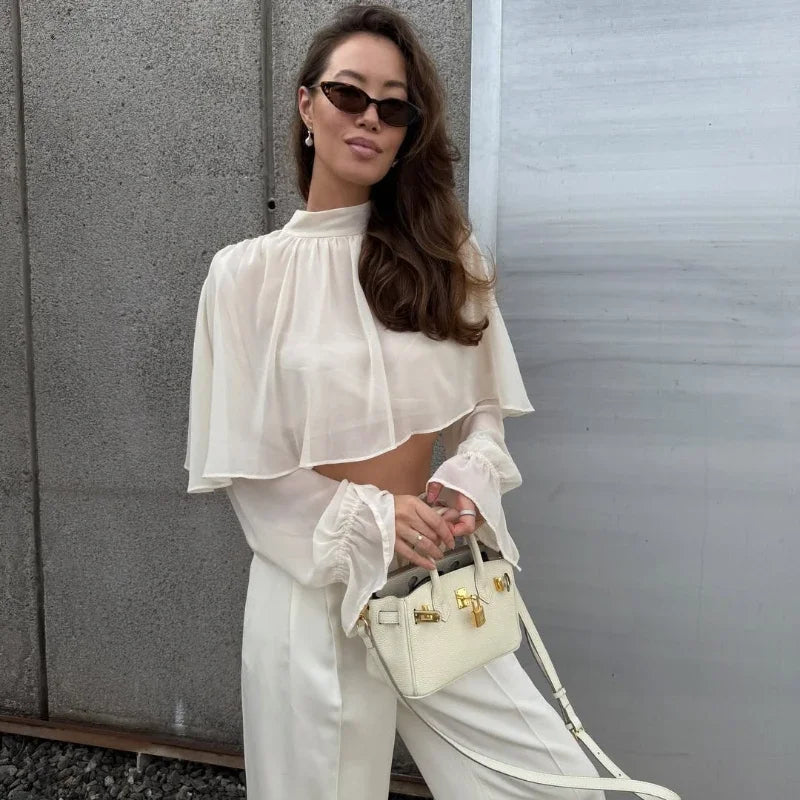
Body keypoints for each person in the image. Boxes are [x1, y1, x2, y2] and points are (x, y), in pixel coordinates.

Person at [183, 4, 606, 798]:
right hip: (309, 592)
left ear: (411, 127)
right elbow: (248, 464)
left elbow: (482, 409)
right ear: (307, 104)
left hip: (431, 581)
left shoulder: (445, 255)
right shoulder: (244, 275)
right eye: (349, 95)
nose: (369, 119)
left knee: (551, 785)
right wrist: (373, 517)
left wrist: (467, 481)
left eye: (394, 106)